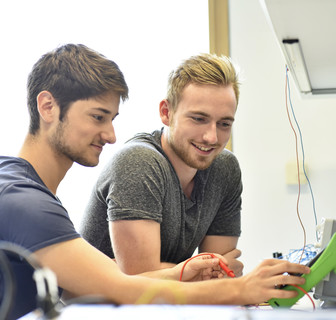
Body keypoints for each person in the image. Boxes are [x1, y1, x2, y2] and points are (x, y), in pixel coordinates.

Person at [0, 44, 309, 320]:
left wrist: (183, 272)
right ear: (47, 106)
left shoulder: (24, 190)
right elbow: (123, 288)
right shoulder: (26, 203)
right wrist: (240, 289)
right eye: (97, 117)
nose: (111, 136)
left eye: (112, 119)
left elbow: (122, 283)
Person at [81, 53, 244, 276]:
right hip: (101, 308)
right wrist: (200, 272)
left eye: (224, 123)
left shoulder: (224, 169)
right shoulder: (139, 163)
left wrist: (203, 273)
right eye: (198, 119)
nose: (212, 137)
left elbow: (219, 273)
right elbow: (140, 280)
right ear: (166, 113)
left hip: (170, 306)